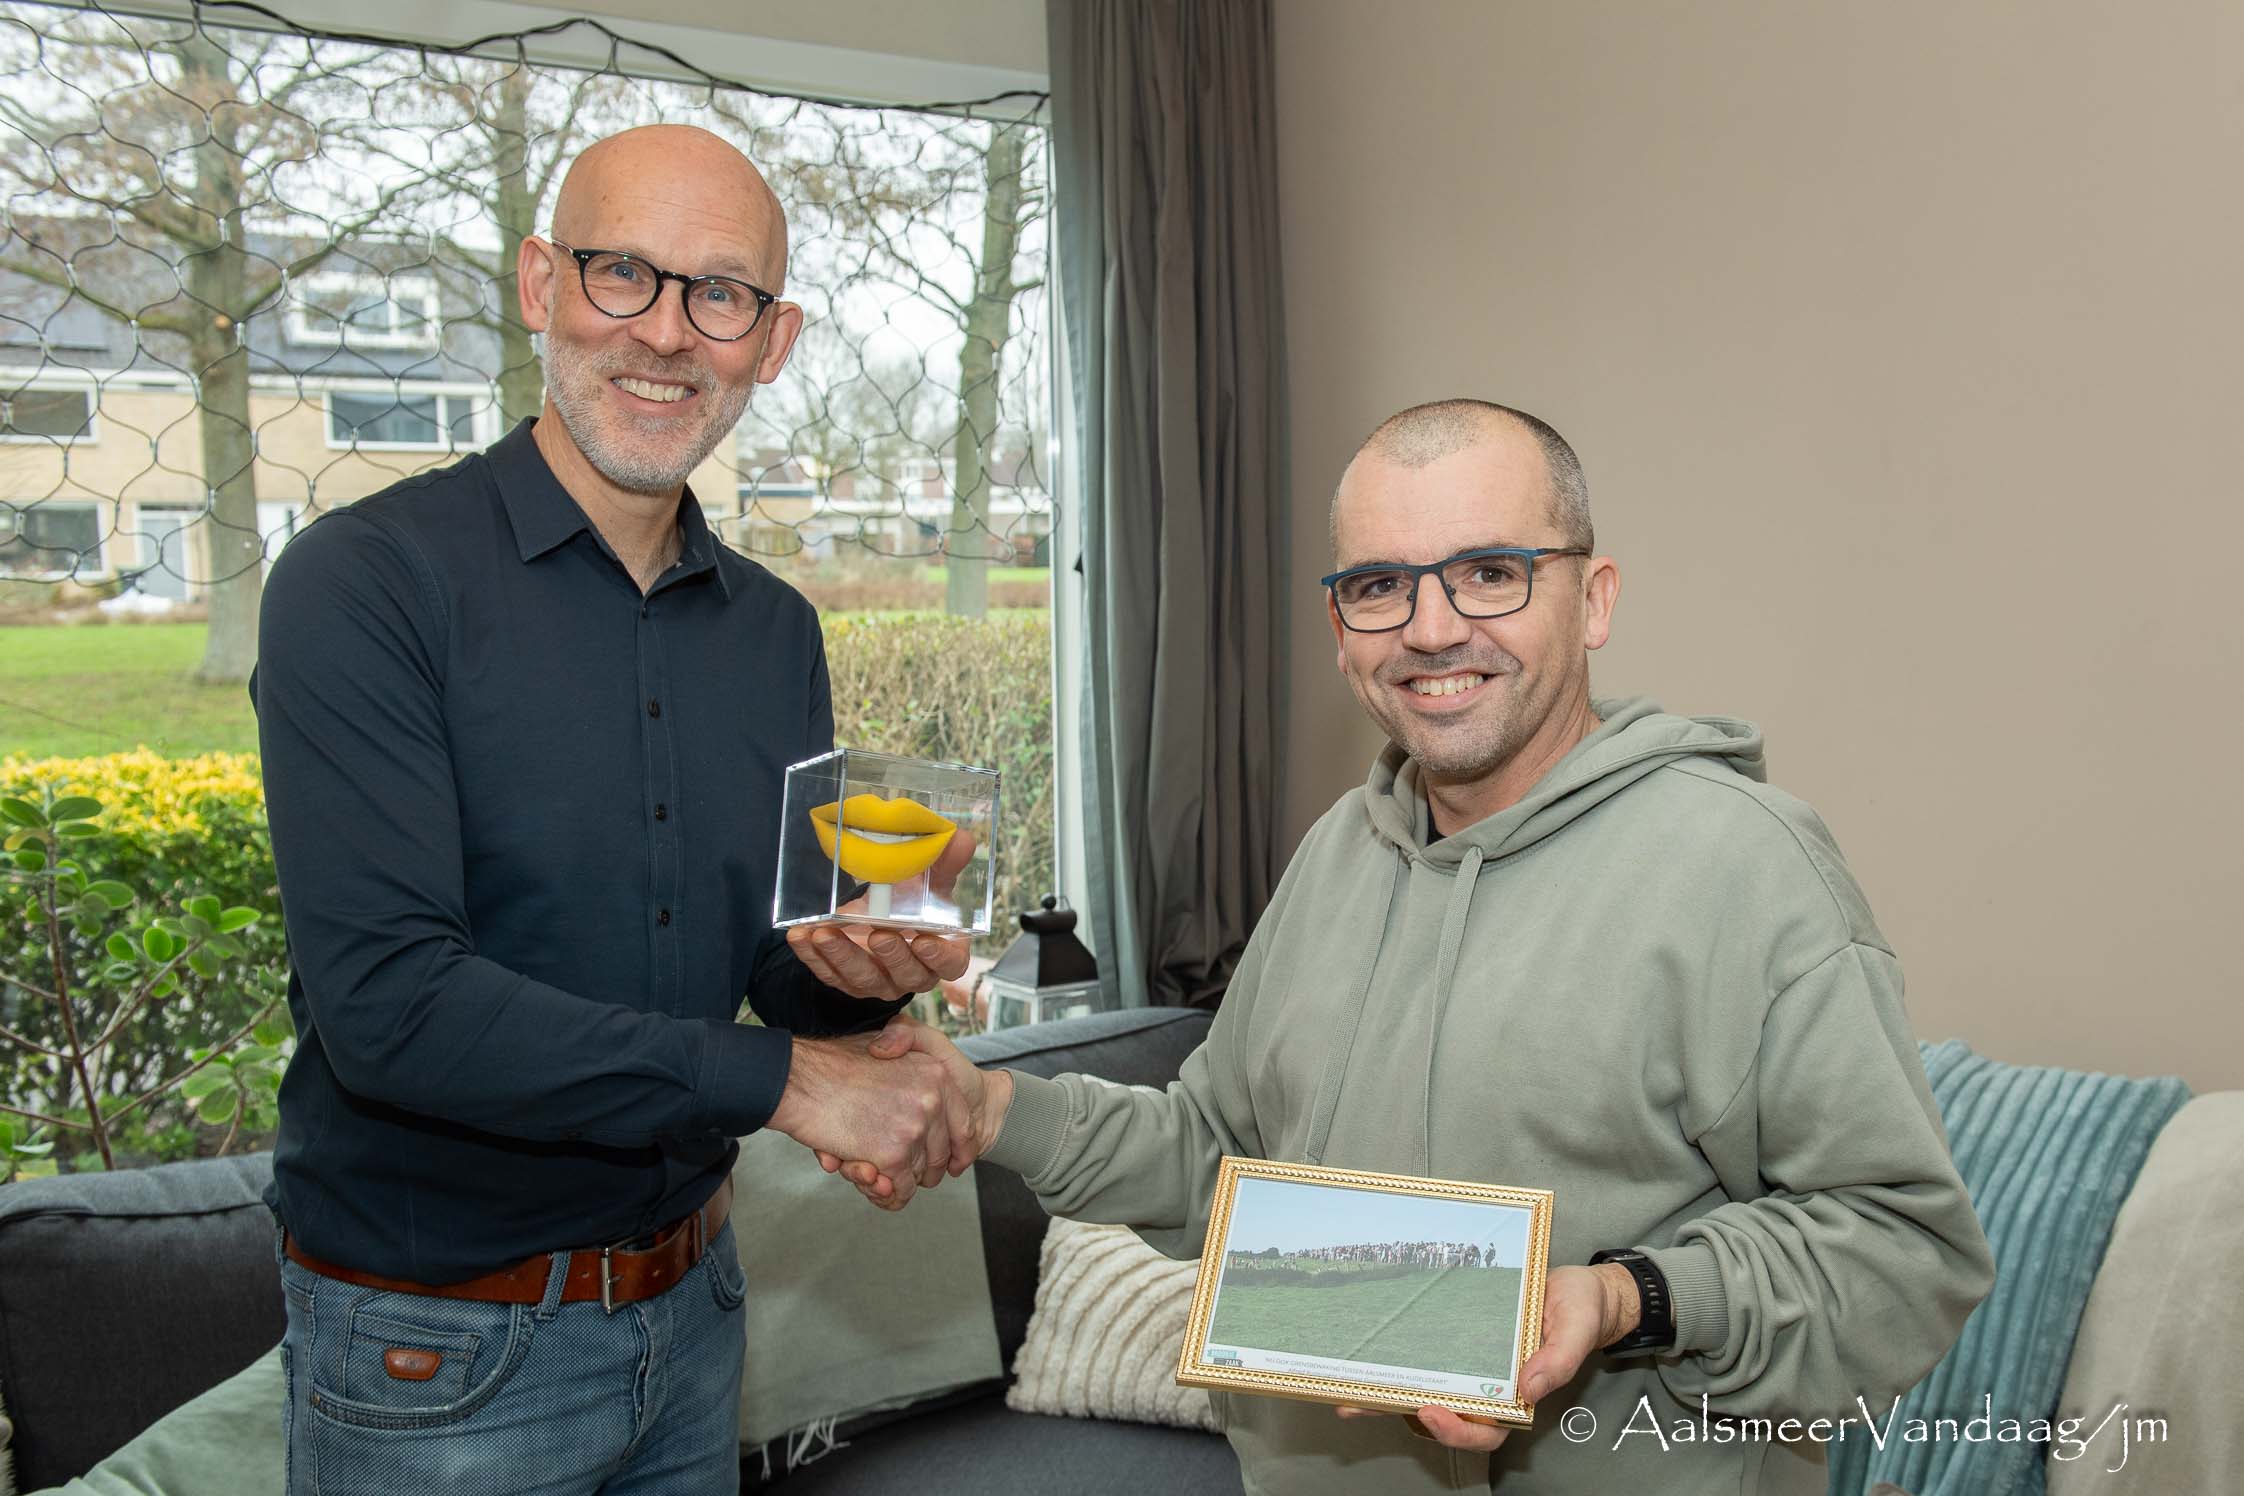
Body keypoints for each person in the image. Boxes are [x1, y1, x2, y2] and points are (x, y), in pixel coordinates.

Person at [850, 400, 1995, 1495]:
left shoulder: (1747, 869)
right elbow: (1217, 1155)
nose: (1433, 627)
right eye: (1380, 586)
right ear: (1341, 629)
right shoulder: (1338, 853)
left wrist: (1623, 1297)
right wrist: (990, 1109)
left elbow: (1905, 1255)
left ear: (1592, 600)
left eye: (1491, 571)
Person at [252, 124, 980, 1495]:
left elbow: (766, 963)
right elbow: (394, 1010)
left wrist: (864, 988)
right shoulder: (363, 586)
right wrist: (793, 1082)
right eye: (620, 276)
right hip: (435, 1355)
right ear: (538, 286)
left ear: (772, 340)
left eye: (720, 295)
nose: (666, 334)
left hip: (694, 1315)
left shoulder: (776, 632)